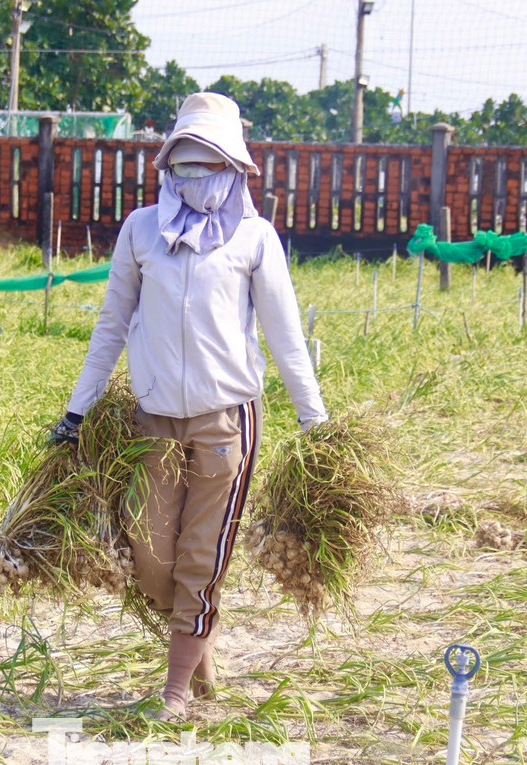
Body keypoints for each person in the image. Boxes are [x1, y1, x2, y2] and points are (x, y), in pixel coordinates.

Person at [51, 93, 327, 720]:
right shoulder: (141, 229)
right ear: (166, 165)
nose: (190, 177)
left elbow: (285, 338)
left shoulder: (254, 238)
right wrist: (77, 410)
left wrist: (317, 423)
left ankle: (174, 691)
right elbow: (112, 324)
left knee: (202, 556)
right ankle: (199, 658)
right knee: (152, 561)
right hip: (153, 422)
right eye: (181, 165)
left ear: (233, 167)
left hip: (226, 421)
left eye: (205, 164)